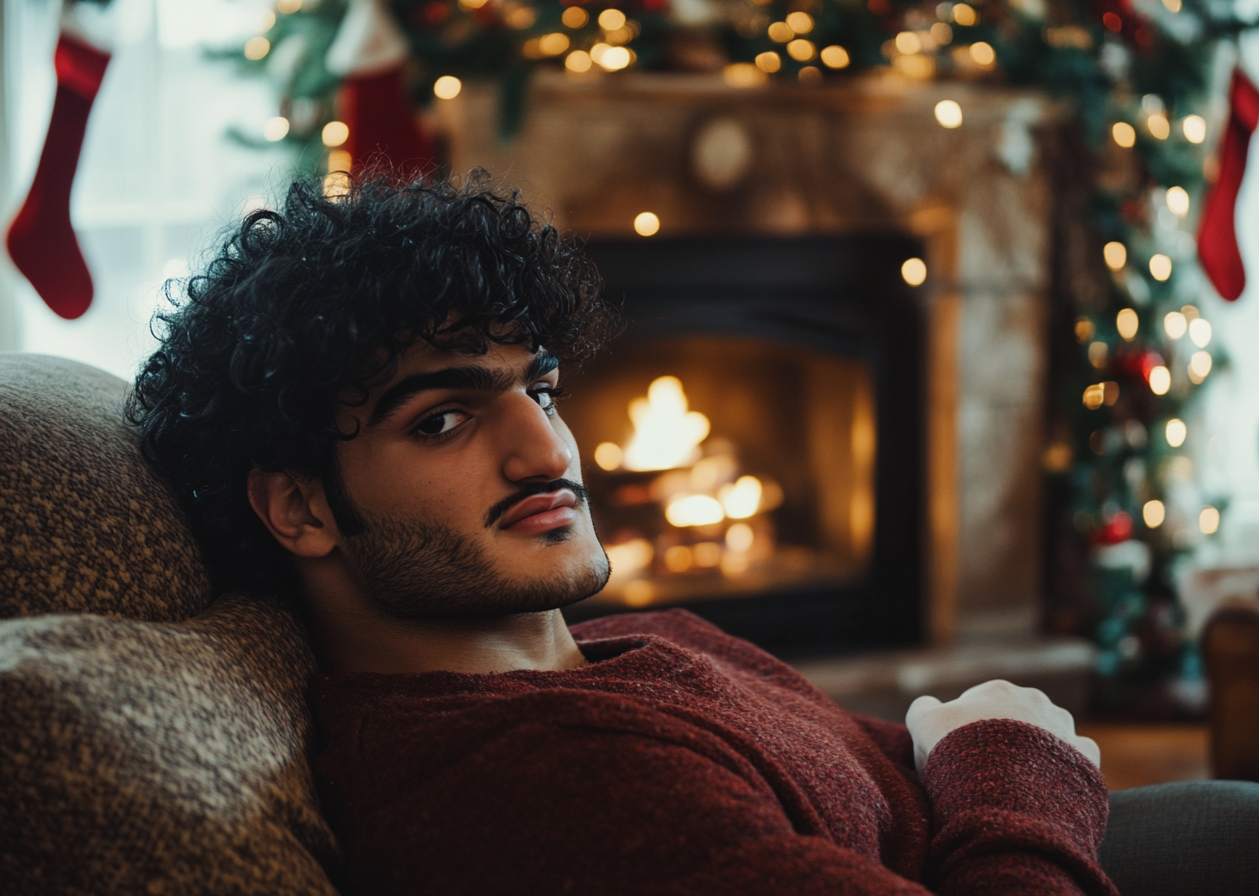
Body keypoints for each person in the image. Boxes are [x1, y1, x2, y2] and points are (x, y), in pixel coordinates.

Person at [128, 170, 1118, 895]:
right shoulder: (552, 790)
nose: (547, 449)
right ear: (299, 507)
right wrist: (1010, 757)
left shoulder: (611, 650)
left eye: (541, 387)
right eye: (442, 418)